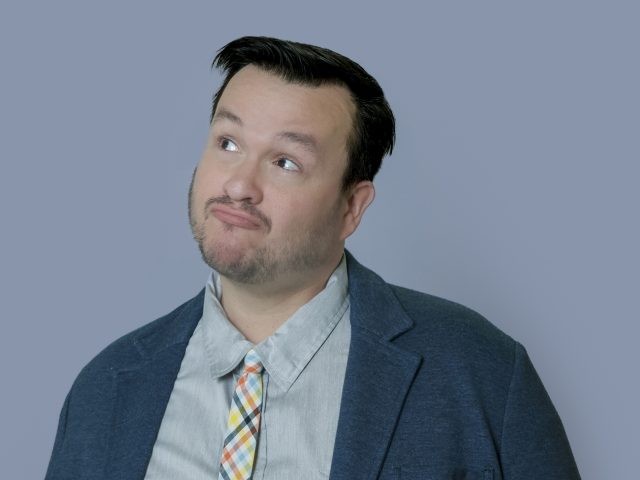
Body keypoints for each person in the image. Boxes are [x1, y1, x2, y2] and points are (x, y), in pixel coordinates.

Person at [45, 36, 581, 480]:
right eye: (228, 143)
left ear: (352, 207)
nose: (239, 185)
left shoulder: (481, 371)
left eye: (285, 161)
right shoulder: (106, 388)